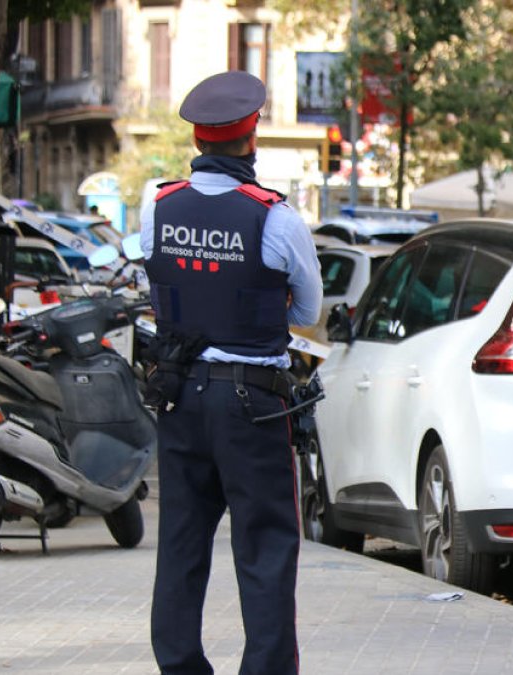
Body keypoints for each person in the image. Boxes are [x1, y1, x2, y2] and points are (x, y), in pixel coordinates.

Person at [140, 70, 322, 675]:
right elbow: (307, 312)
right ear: (252, 137)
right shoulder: (275, 218)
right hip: (253, 405)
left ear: (198, 137)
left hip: (180, 395)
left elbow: (159, 286)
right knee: (265, 549)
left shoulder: (156, 206)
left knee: (180, 544)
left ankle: (180, 667)